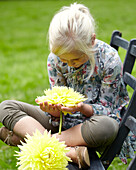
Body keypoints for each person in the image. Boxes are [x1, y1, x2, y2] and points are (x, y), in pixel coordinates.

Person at [0, 2, 133, 168]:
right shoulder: (54, 59)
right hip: (62, 124)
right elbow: (57, 98)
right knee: (5, 107)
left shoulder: (109, 60)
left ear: (92, 41)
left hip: (89, 127)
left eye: (76, 59)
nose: (70, 65)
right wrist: (54, 111)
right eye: (64, 60)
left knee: (108, 127)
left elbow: (110, 112)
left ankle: (34, 141)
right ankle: (68, 152)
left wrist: (81, 108)